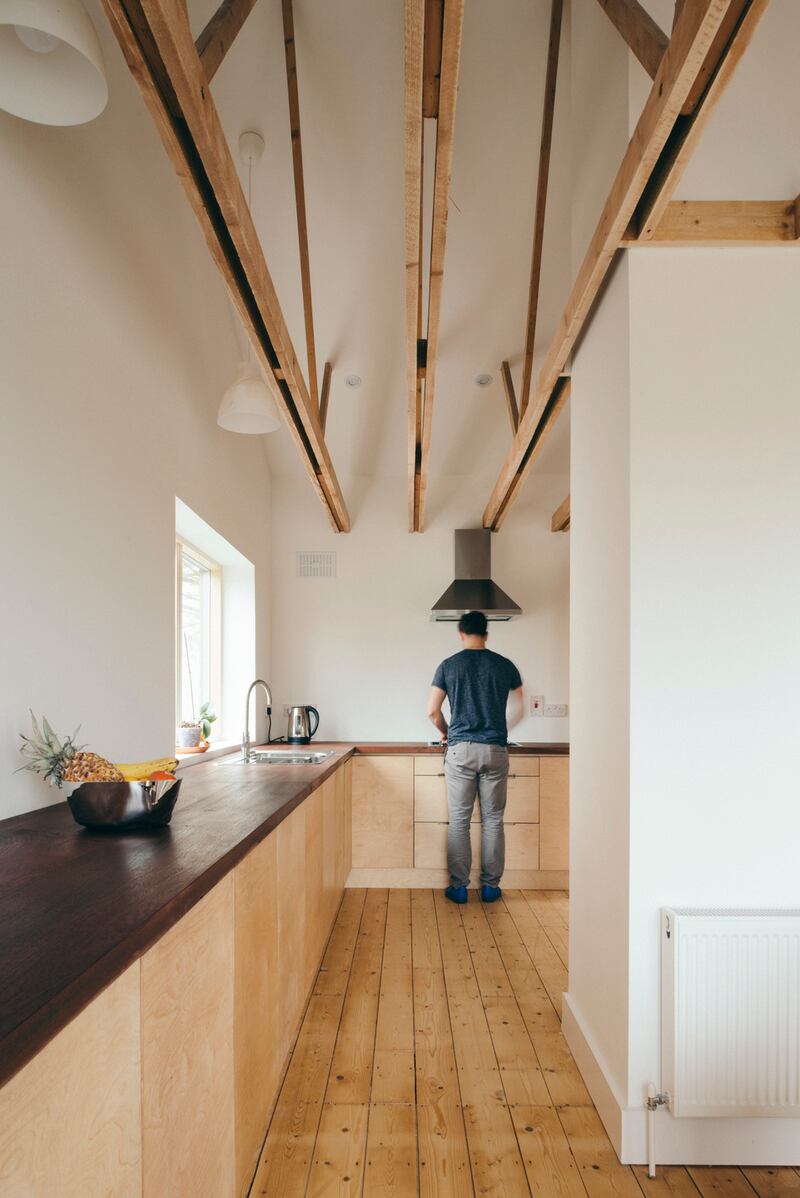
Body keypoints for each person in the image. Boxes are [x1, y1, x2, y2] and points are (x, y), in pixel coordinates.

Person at [427, 610, 524, 905]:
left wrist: (446, 732)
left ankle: (459, 888)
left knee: (459, 821)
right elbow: (520, 708)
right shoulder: (505, 665)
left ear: (460, 633)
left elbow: (432, 711)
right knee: (493, 820)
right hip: (495, 749)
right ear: (486, 634)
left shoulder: (448, 666)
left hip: (460, 751)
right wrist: (499, 731)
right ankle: (491, 887)